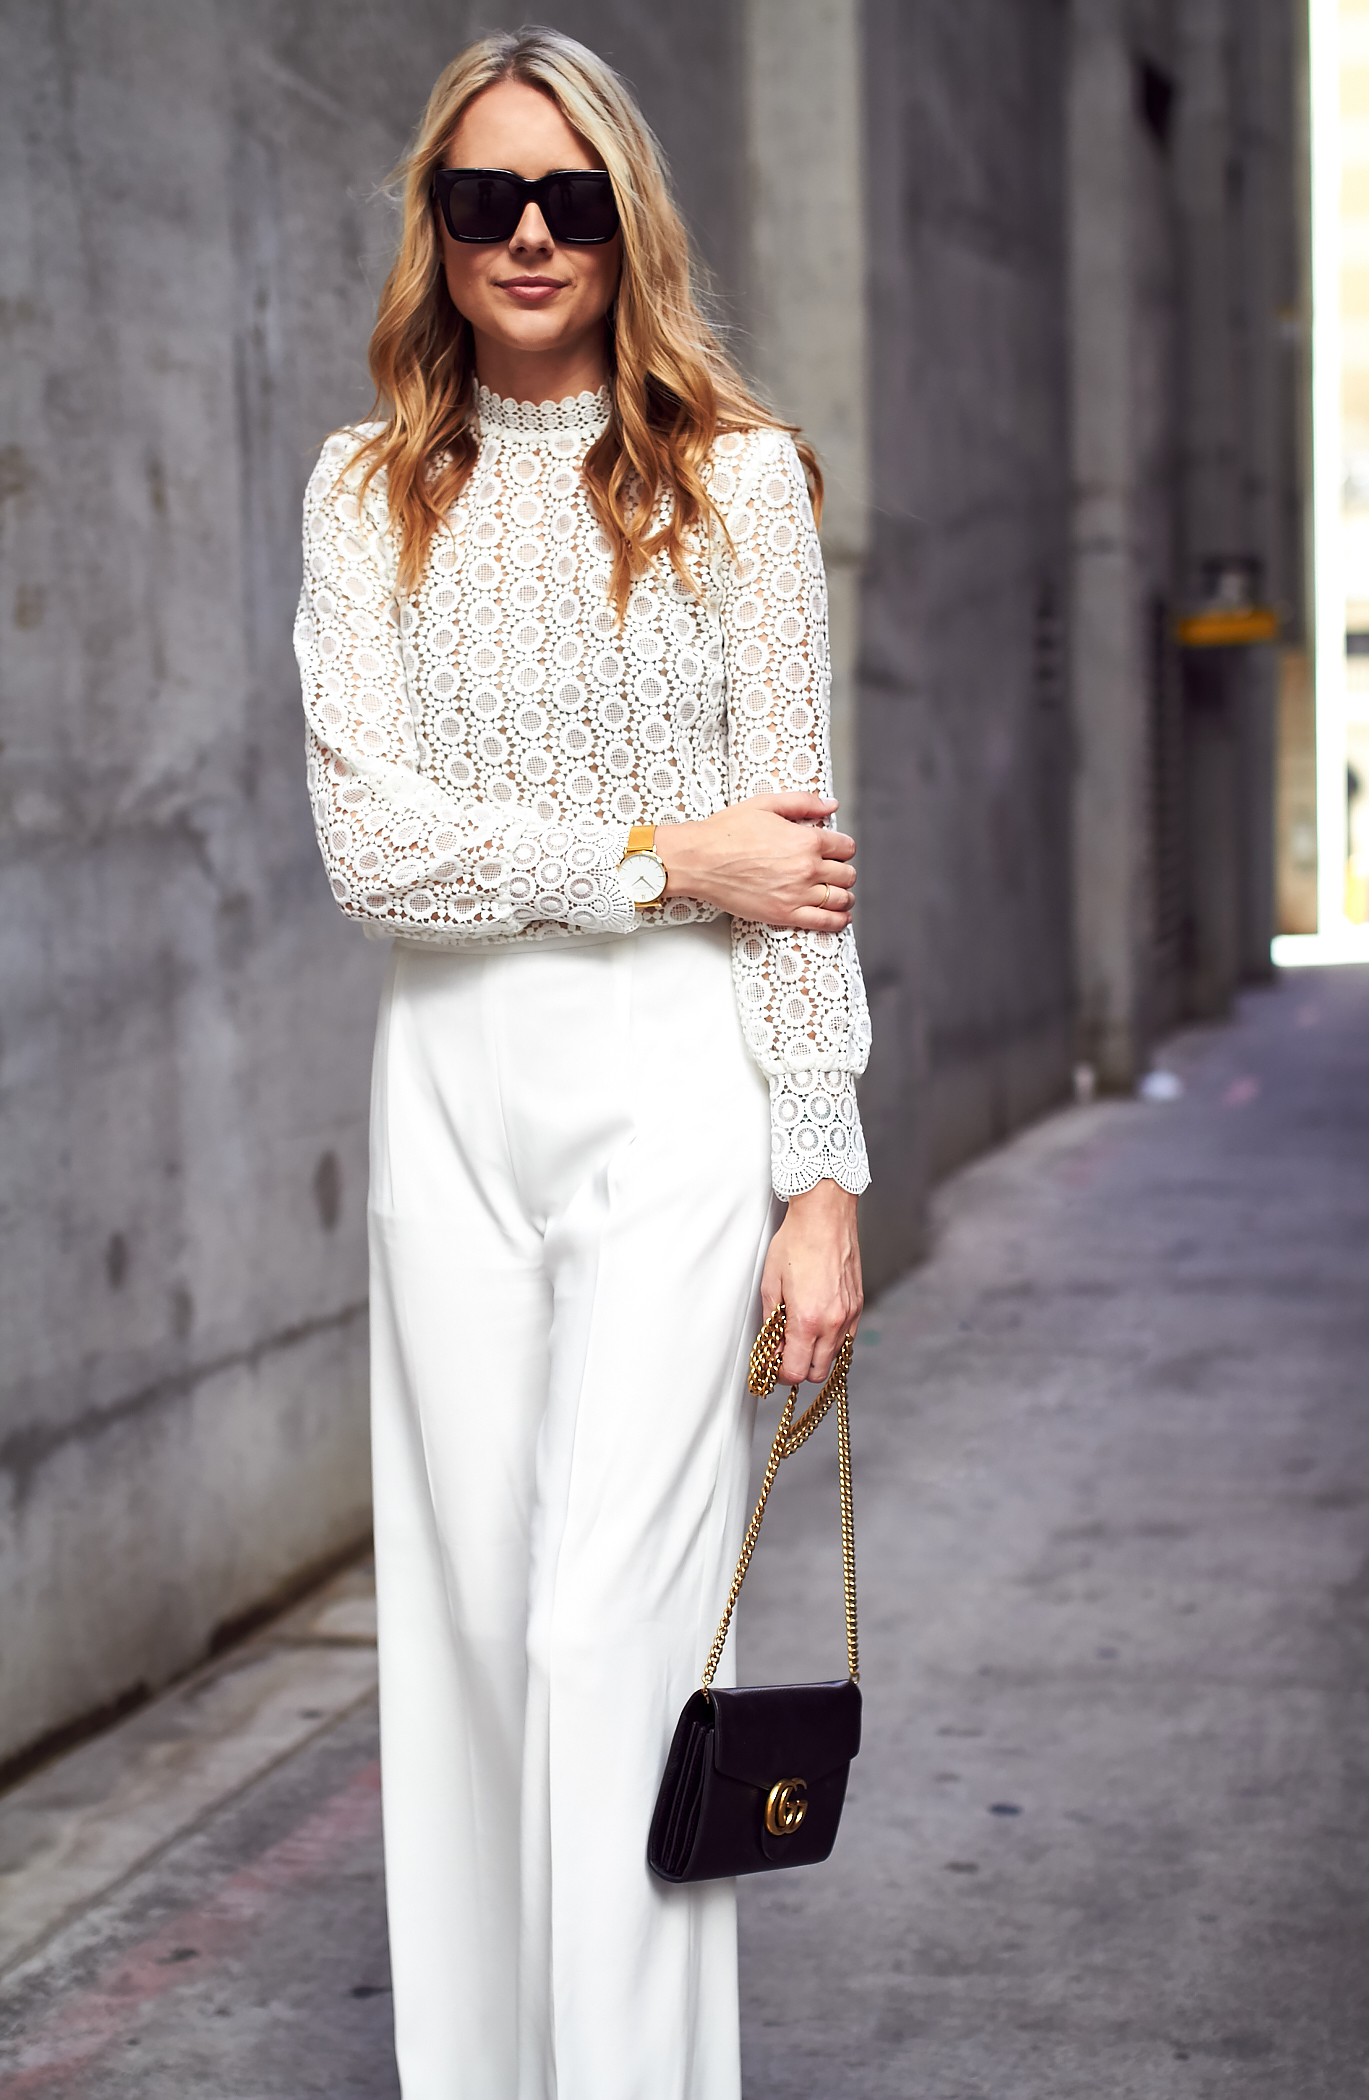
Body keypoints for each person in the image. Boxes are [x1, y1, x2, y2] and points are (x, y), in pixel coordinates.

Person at [294, 27, 871, 2099]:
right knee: (459, 1658)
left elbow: (790, 872)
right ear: (436, 238)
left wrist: (822, 1180)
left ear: (628, 221)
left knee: (601, 1646)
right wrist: (657, 854)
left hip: (676, 1097)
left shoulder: (735, 481)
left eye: (568, 199)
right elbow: (376, 853)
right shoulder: (366, 496)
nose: (528, 236)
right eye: (483, 202)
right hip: (446, 1094)